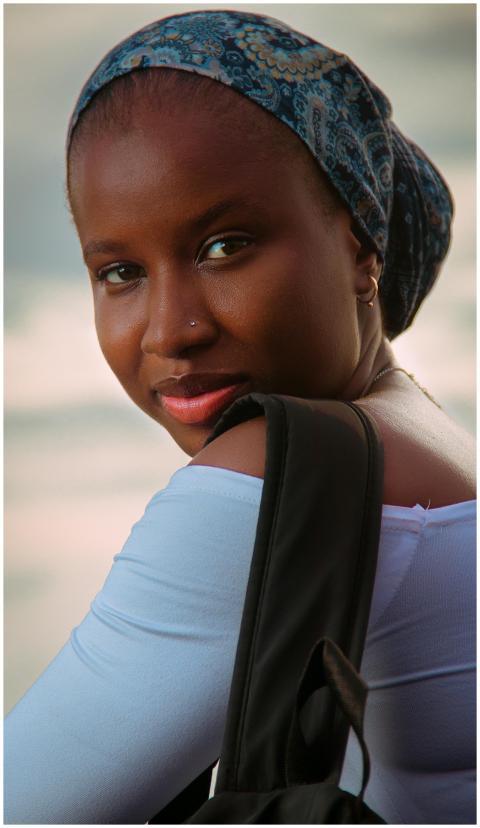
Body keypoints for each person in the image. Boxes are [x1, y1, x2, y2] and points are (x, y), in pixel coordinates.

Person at [5, 10, 475, 824]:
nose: (170, 330)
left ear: (360, 247)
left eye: (225, 246)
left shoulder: (275, 478)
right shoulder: (436, 444)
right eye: (121, 272)